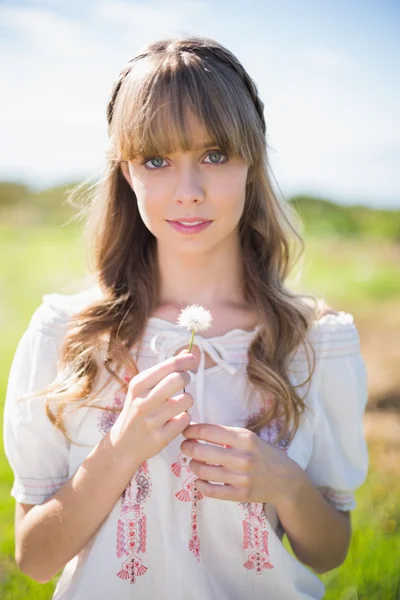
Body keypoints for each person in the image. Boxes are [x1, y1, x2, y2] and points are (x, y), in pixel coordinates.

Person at [3, 36, 368, 600]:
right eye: (157, 161)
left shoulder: (311, 341)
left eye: (214, 156)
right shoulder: (70, 336)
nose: (189, 191)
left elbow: (330, 551)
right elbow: (35, 558)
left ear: (252, 160)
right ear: (127, 172)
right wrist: (120, 450)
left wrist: (286, 485)